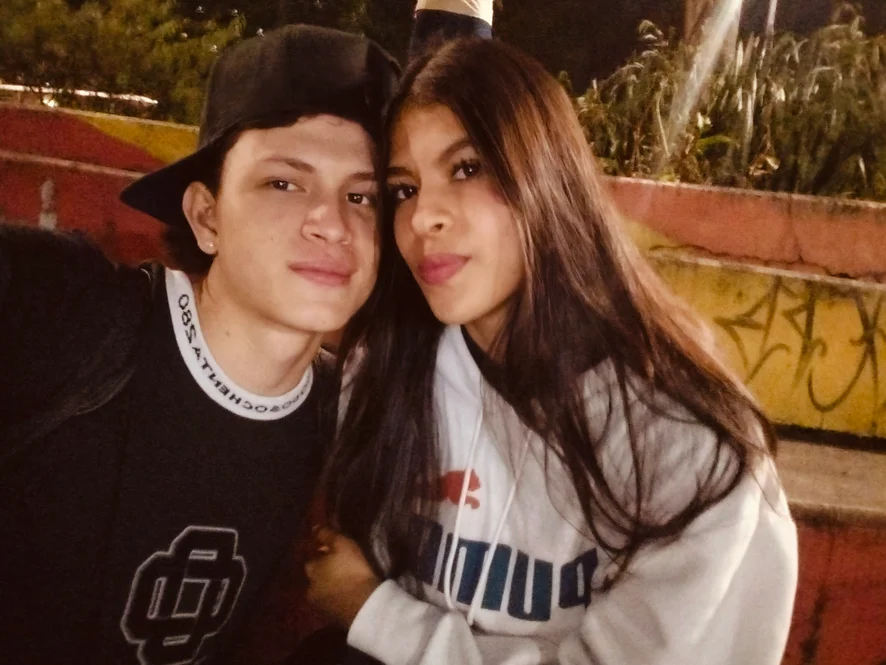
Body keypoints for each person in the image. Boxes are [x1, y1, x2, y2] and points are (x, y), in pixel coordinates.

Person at [305, 37, 798, 665]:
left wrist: (373, 612)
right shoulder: (389, 370)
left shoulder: (688, 441)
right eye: (404, 189)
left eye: (467, 168)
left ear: (547, 176)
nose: (424, 216)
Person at [0, 24, 398, 665]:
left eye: (362, 196)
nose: (332, 223)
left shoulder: (349, 425)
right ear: (206, 216)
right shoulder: (70, 310)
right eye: (284, 183)